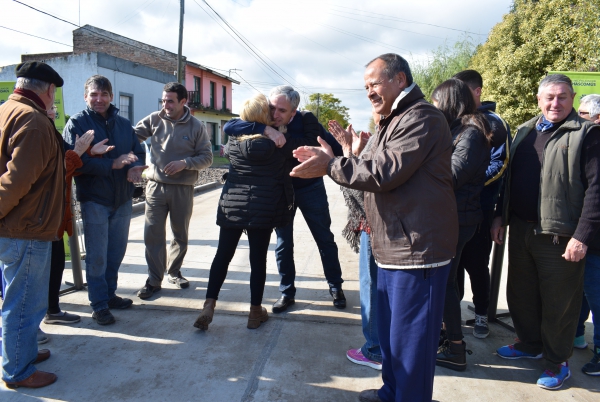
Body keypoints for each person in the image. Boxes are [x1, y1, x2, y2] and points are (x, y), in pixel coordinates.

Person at [292, 53, 458, 402]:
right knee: (393, 337)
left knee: (412, 343)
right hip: (394, 245)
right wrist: (349, 155)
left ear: (400, 80)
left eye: (375, 83)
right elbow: (372, 166)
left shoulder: (421, 117)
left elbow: (383, 172)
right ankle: (391, 392)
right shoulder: (391, 119)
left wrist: (332, 165)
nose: (369, 91)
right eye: (365, 86)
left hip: (418, 250)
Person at [491, 74, 600, 390]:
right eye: (549, 97)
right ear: (539, 99)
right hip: (522, 230)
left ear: (573, 99)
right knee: (521, 294)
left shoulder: (587, 135)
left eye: (563, 96)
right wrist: (500, 217)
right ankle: (528, 344)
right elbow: (507, 180)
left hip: (561, 237)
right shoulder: (524, 131)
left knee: (559, 303)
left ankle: (556, 362)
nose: (555, 103)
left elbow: (596, 190)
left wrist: (582, 236)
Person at [223, 85, 346, 313]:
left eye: (282, 110)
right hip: (281, 190)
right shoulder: (265, 122)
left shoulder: (307, 120)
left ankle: (336, 287)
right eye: (272, 108)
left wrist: (286, 139)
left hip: (310, 188)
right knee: (283, 244)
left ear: (294, 111)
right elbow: (230, 126)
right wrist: (266, 129)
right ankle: (287, 292)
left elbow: (331, 148)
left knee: (324, 238)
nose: (275, 114)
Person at [193, 94, 297, 330]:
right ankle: (254, 312)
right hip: (263, 210)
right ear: (263, 117)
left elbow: (231, 126)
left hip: (232, 207)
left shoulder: (233, 144)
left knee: (222, 257)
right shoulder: (279, 144)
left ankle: (208, 306)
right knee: (257, 261)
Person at [0, 61, 65, 389]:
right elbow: (16, 181)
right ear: (49, 90)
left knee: (16, 297)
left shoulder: (6, 110)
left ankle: (18, 353)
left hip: (16, 227)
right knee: (24, 302)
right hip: (25, 227)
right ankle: (18, 371)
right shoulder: (34, 121)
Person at [64, 75, 146, 326]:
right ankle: (98, 304)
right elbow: (75, 162)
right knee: (97, 256)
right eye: (93, 95)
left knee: (115, 253)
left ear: (111, 96)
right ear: (85, 96)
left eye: (104, 94)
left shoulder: (123, 124)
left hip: (122, 199)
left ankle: (110, 295)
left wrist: (136, 167)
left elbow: (138, 150)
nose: (99, 99)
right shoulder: (77, 123)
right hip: (95, 200)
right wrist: (113, 163)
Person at [430, 79, 493, 371]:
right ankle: (447, 337)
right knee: (446, 284)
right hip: (450, 218)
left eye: (436, 102)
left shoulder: (471, 134)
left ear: (450, 102)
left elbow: (451, 177)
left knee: (445, 285)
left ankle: (456, 348)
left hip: (458, 220)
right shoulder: (458, 130)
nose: (433, 108)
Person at [134, 82, 213, 299]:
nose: (165, 104)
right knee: (153, 234)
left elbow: (207, 158)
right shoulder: (154, 119)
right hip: (155, 187)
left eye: (170, 100)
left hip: (182, 189)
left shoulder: (196, 126)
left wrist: (185, 163)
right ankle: (153, 280)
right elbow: (132, 138)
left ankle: (175, 272)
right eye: (163, 100)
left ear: (182, 101)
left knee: (180, 234)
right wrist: (130, 157)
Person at [452, 69, 511, 339]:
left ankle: (481, 314)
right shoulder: (455, 121)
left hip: (481, 208)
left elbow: (500, 165)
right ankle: (452, 315)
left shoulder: (494, 122)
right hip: (452, 209)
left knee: (477, 265)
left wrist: (470, 181)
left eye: (462, 92)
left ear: (477, 92)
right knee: (453, 267)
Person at [335, 114, 381, 370]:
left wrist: (345, 154)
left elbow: (361, 184)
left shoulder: (391, 135)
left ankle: (374, 350)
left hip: (373, 225)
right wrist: (357, 152)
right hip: (374, 225)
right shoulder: (390, 134)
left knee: (371, 285)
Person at [573, 94, 600, 375]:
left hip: (595, 240)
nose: (578, 118)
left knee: (597, 296)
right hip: (586, 237)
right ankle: (577, 336)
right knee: (581, 291)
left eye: (583, 113)